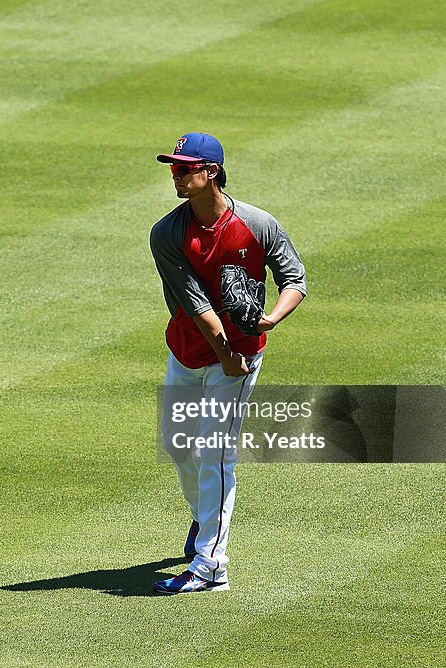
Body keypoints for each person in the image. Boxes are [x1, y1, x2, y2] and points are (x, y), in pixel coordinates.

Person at [149, 132, 307, 594]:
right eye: (174, 168)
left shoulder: (256, 224)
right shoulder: (168, 234)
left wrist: (267, 321)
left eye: (185, 167)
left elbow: (294, 279)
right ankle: (205, 523)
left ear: (211, 171)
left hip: (240, 356)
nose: (176, 174)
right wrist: (225, 352)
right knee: (179, 447)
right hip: (191, 348)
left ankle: (210, 565)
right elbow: (196, 304)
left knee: (215, 450)